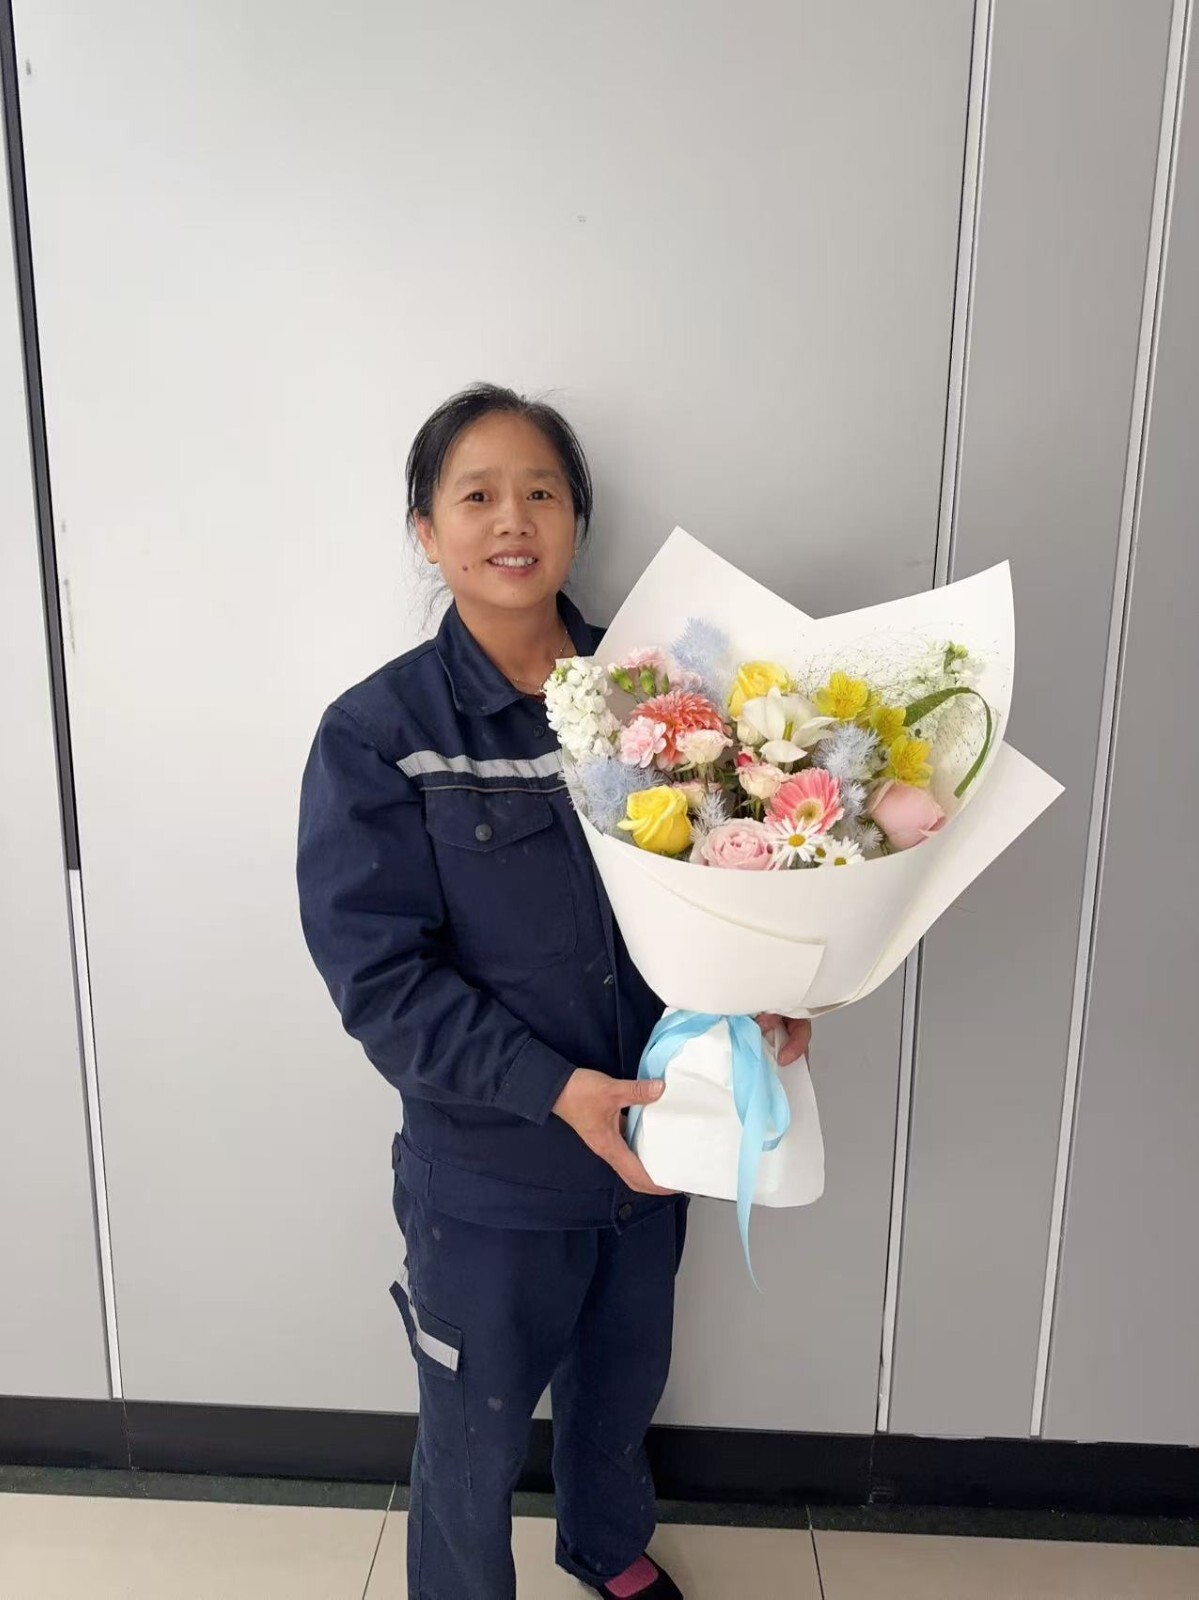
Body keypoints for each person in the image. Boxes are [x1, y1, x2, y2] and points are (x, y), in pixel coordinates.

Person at [296, 385, 811, 1600]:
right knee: (471, 1433)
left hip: (655, 1141)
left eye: (540, 491)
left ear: (576, 518)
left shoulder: (664, 702)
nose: (511, 519)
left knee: (620, 1385)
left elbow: (725, 891)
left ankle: (603, 1545)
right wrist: (547, 1086)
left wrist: (765, 995)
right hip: (491, 1176)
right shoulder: (379, 733)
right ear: (426, 530)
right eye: (476, 495)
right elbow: (379, 979)